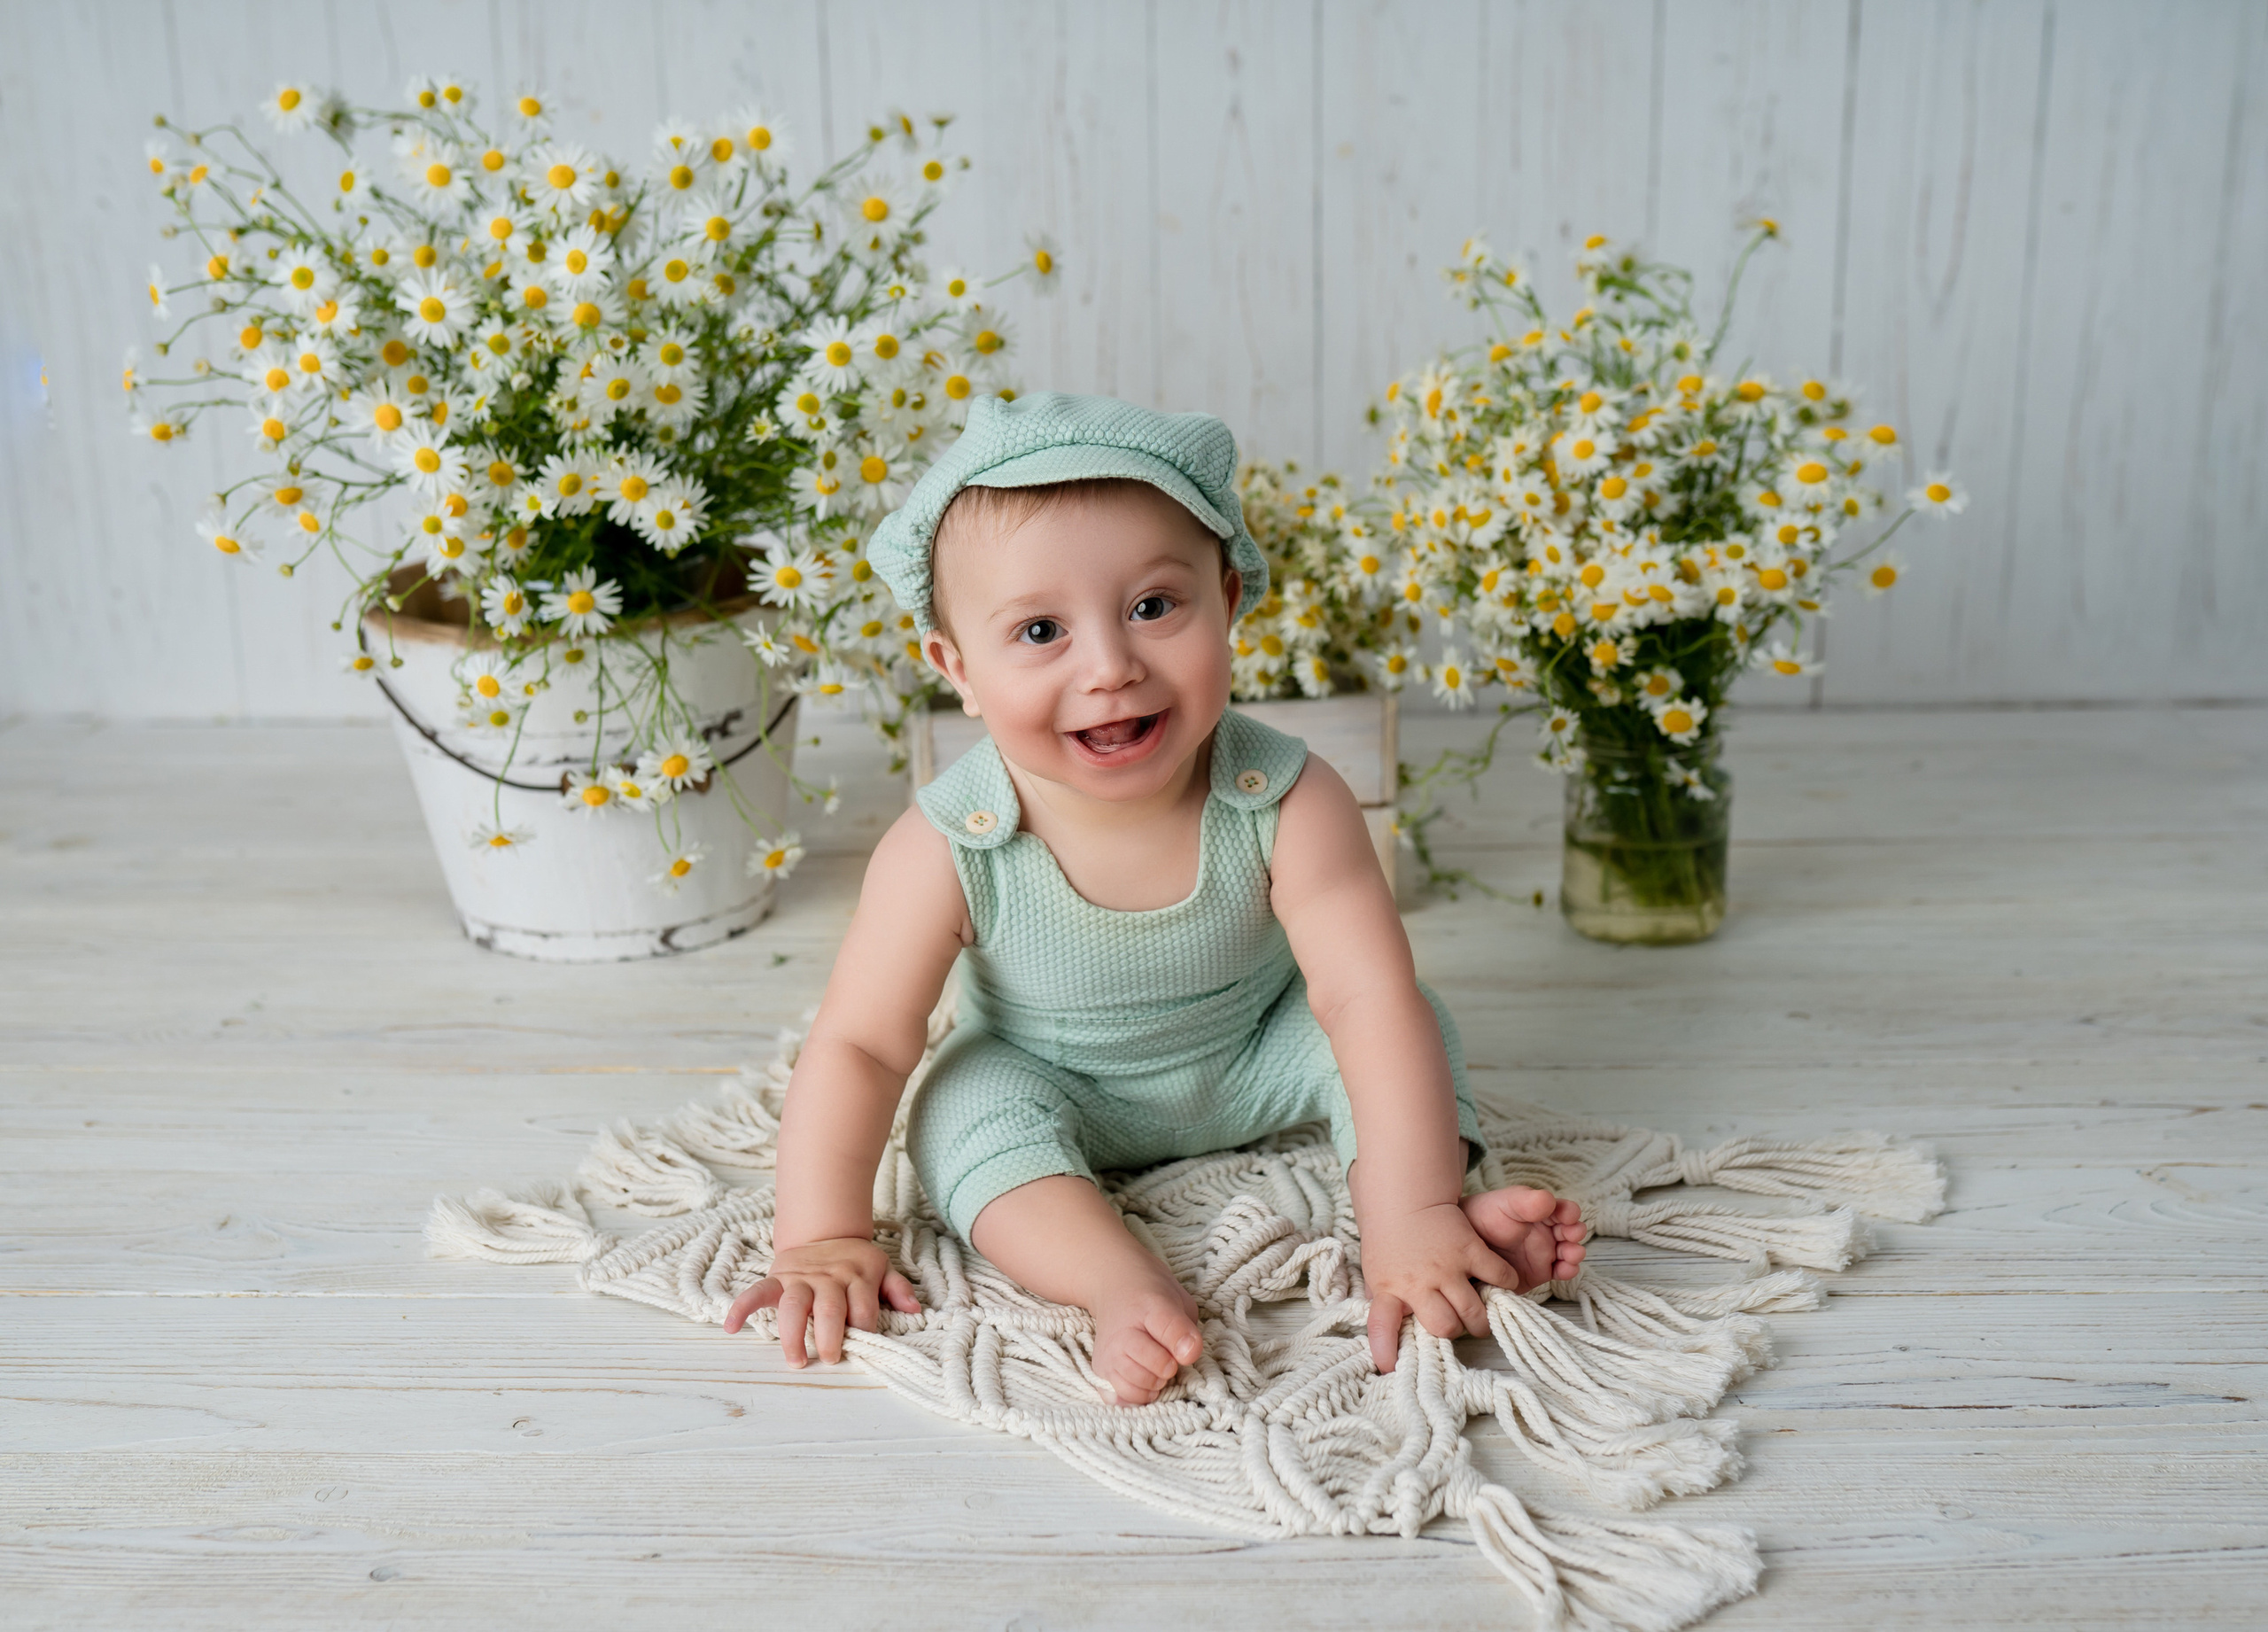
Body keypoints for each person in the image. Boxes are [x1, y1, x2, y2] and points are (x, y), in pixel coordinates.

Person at [725, 392, 1584, 1404]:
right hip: (1052, 1073)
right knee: (958, 1108)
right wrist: (820, 1235)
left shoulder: (1287, 799)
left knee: (1408, 1027)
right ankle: (1113, 1280)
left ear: (1228, 600)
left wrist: (1411, 1212)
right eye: (1040, 629)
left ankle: (1427, 1220)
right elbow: (864, 1047)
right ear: (958, 670)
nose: (1110, 667)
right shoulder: (949, 844)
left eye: (1152, 607)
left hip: (1258, 1048)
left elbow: (1362, 997)